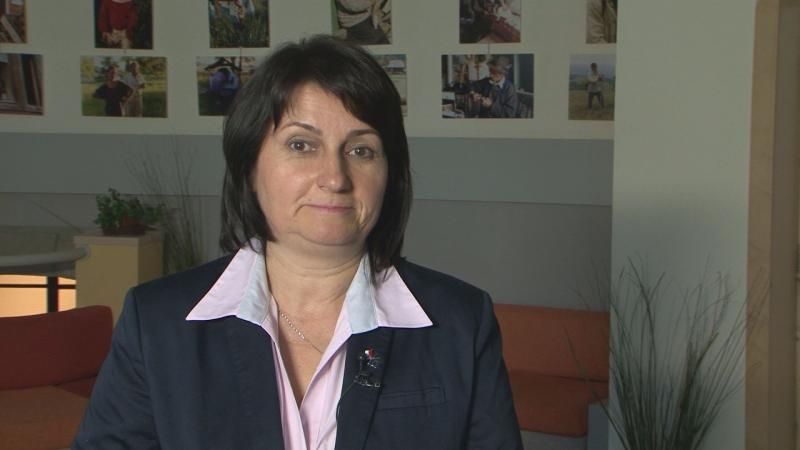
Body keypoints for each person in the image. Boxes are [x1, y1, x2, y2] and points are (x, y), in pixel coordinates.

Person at [74, 35, 522, 449]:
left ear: (390, 175)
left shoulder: (461, 323)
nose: (335, 177)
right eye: (301, 145)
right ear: (250, 166)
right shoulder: (156, 323)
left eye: (361, 150)